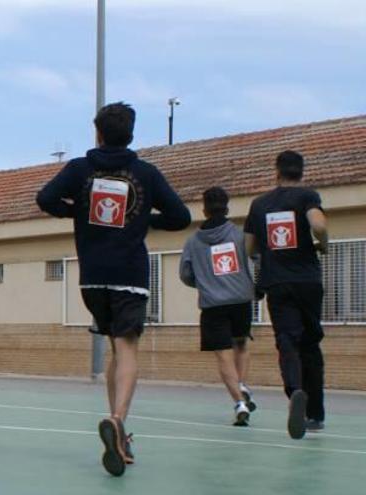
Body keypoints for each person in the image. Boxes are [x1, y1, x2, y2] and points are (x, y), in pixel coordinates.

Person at [36, 102, 191, 477]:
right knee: (127, 349)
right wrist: (142, 220)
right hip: (130, 275)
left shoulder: (79, 169)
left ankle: (119, 434)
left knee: (112, 350)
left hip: (92, 277)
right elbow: (181, 217)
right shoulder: (145, 174)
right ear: (131, 133)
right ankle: (118, 419)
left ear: (98, 133)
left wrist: (80, 211)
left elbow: (44, 199)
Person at [244, 150, 328, 440]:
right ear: (301, 172)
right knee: (311, 345)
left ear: (276, 172)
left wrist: (270, 247)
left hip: (277, 283)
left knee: (287, 341)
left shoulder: (259, 204)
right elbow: (319, 225)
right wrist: (323, 244)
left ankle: (295, 391)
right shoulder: (307, 196)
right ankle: (315, 415)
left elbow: (249, 250)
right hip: (307, 281)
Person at [180, 187, 257, 426]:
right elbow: (257, 257)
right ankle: (241, 384)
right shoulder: (239, 234)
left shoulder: (193, 242)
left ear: (203, 209)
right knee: (241, 343)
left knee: (223, 355)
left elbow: (185, 274)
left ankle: (239, 403)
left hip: (213, 304)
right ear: (227, 207)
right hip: (241, 300)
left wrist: (205, 283)